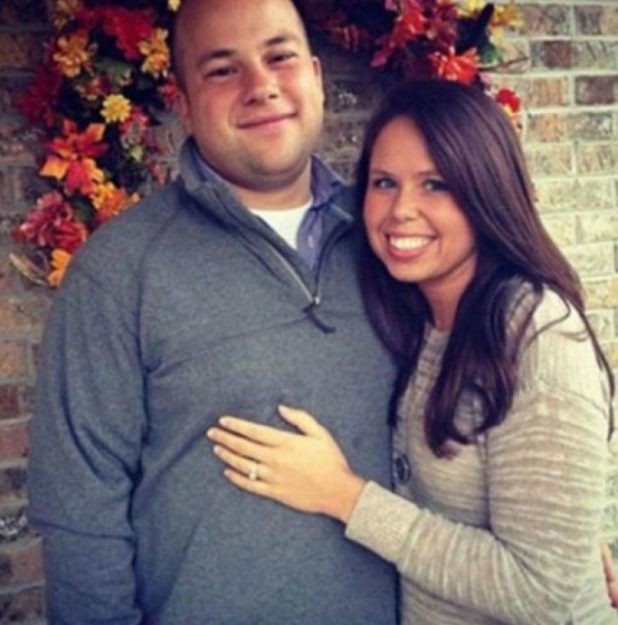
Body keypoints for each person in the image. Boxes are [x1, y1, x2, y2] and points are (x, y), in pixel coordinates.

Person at [26, 0, 399, 623]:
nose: (261, 86)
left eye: (279, 57)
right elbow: (79, 513)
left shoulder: (394, 243)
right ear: (185, 101)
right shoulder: (119, 272)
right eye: (223, 70)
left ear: (314, 76)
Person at [207, 79, 618, 625]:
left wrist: (344, 497)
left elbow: (544, 593)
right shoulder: (420, 315)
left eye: (435, 185)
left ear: (488, 192)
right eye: (384, 182)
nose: (401, 209)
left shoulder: (538, 337)